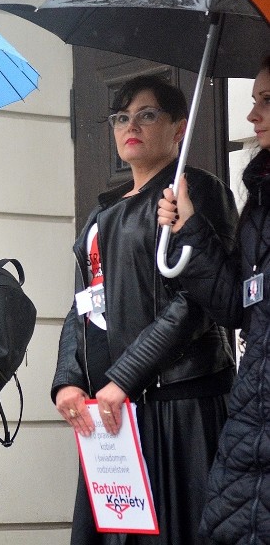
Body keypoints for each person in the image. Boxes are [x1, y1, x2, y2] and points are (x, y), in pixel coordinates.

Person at [53, 75, 239, 544]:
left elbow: (198, 301)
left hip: (178, 406)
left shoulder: (195, 190)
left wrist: (126, 376)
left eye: (146, 114)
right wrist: (68, 380)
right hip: (113, 414)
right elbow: (82, 306)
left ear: (179, 128)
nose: (130, 125)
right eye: (120, 117)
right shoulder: (104, 212)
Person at [157, 56, 270, 543]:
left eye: (267, 101)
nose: (252, 116)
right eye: (253, 101)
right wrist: (190, 230)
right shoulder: (261, 200)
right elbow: (236, 307)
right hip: (253, 415)